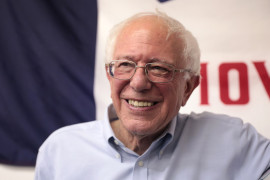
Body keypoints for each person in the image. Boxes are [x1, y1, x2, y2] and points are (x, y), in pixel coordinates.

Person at [35, 11, 270, 180]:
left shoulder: (237, 142)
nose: (138, 83)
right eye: (126, 64)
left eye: (159, 68)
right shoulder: (60, 151)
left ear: (188, 87)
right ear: (110, 75)